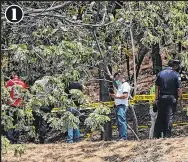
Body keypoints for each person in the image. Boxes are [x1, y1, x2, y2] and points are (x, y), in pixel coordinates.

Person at [153, 59, 182, 138]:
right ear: (175, 66)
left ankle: (157, 135)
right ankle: (167, 135)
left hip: (162, 97)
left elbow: (157, 87)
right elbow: (179, 89)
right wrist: (181, 98)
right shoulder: (176, 75)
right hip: (172, 98)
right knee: (169, 116)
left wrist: (156, 98)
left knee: (160, 116)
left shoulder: (161, 73)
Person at [5, 71, 29, 143]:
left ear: (12, 75)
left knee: (9, 122)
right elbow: (26, 95)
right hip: (20, 105)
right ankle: (16, 139)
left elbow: (5, 93)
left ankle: (10, 139)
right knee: (18, 123)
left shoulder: (8, 82)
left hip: (10, 105)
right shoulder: (22, 83)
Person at [109, 72, 131, 140]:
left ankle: (123, 137)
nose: (116, 81)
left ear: (120, 77)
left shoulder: (125, 85)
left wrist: (116, 97)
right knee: (119, 122)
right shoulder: (121, 86)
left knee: (121, 121)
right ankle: (121, 136)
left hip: (122, 105)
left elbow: (125, 95)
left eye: (117, 79)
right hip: (118, 105)